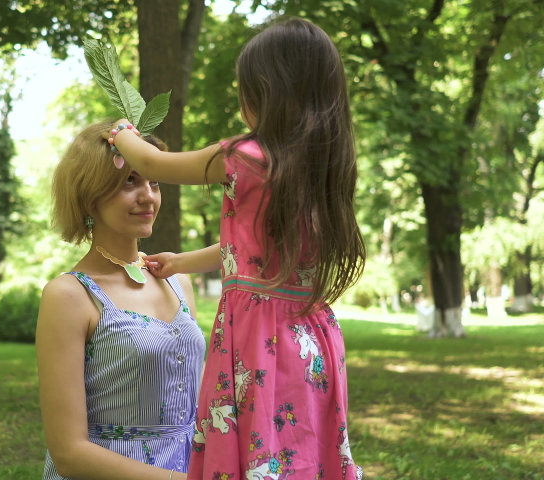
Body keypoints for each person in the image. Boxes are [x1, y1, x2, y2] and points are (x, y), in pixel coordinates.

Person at [105, 18, 366, 480]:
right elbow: (253, 251)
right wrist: (183, 262)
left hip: (258, 334)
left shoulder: (241, 156)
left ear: (266, 93)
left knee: (256, 445)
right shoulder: (316, 168)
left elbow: (152, 161)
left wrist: (122, 130)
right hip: (313, 336)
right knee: (301, 447)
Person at [36, 121, 206, 480]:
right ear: (89, 195)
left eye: (153, 181)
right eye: (130, 181)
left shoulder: (177, 281)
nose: (148, 196)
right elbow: (68, 453)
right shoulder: (69, 295)